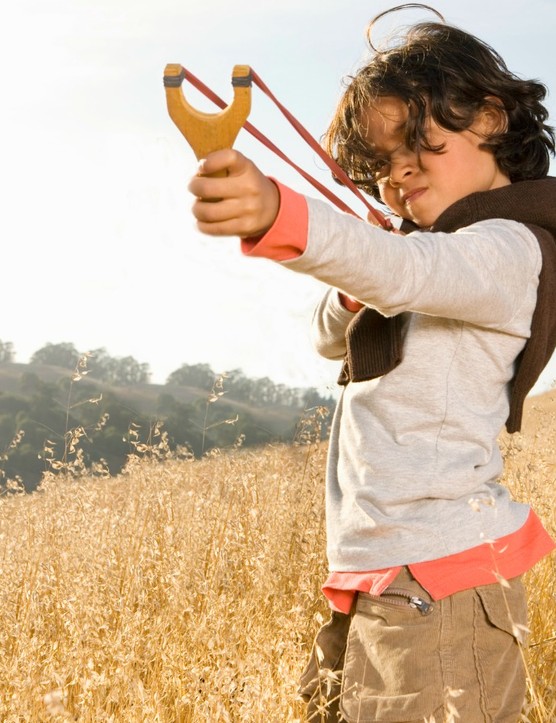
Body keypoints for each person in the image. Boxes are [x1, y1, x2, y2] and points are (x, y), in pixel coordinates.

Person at [187, 10, 556, 722]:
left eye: (420, 142)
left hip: (439, 584)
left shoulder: (507, 245)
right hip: (382, 575)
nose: (400, 173)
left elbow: (405, 271)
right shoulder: (429, 254)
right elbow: (335, 331)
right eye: (383, 162)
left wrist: (279, 213)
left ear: (490, 116)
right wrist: (356, 279)